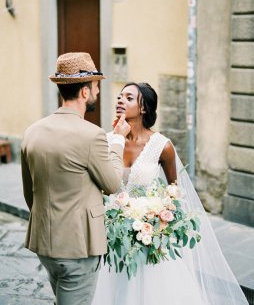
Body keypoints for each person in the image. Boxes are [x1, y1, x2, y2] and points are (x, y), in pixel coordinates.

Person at [92, 82, 248, 305]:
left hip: (148, 239)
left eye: (128, 98)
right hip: (114, 239)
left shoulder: (162, 146)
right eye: (119, 96)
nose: (119, 100)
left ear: (143, 107)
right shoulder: (107, 141)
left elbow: (174, 192)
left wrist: (158, 221)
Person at [21, 52, 131, 305]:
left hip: (44, 245)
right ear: (84, 92)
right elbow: (113, 184)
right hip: (78, 248)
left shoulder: (32, 131)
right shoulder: (91, 135)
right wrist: (117, 141)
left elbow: (31, 194)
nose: (98, 92)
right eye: (96, 87)